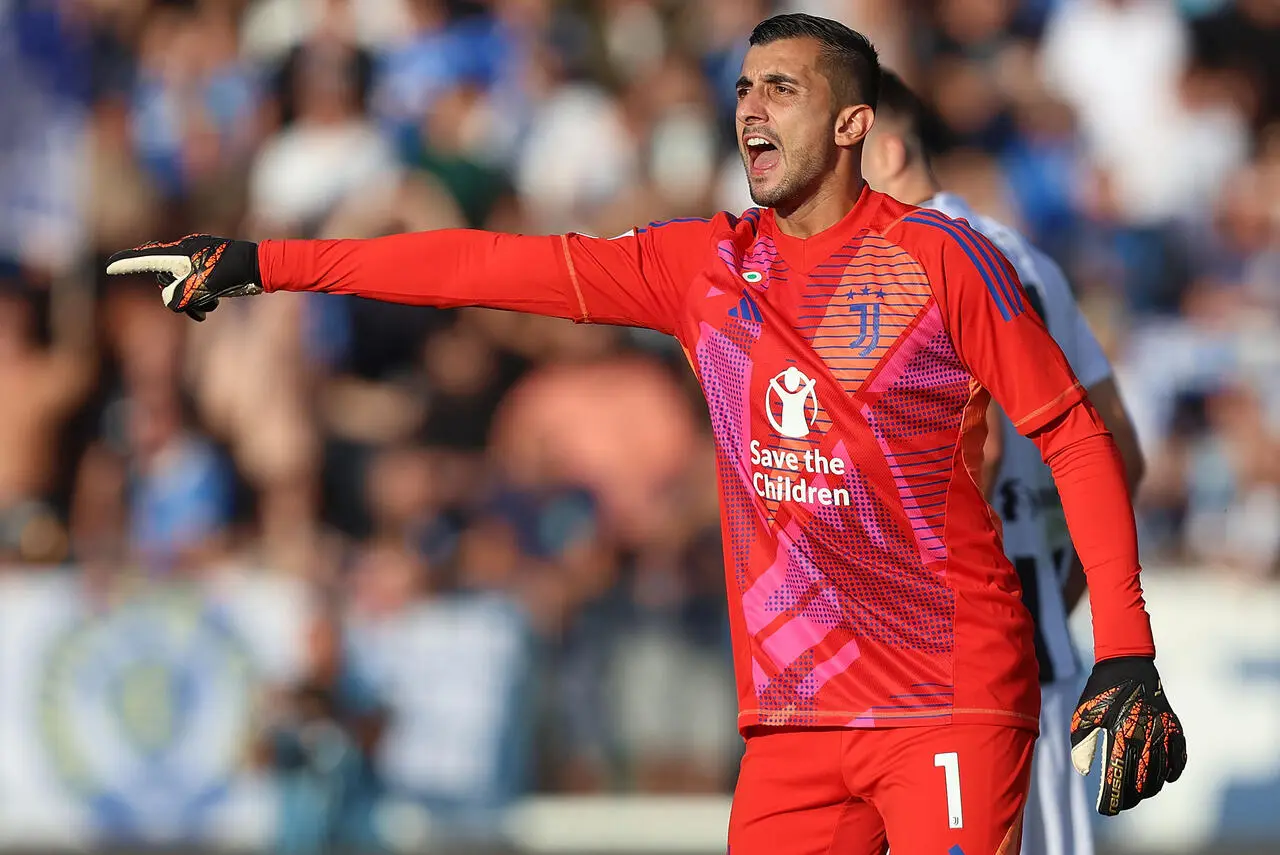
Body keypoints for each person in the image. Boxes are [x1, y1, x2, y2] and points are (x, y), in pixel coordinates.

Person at [106, 14, 1186, 855]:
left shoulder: (944, 263)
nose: (749, 109)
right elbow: (481, 265)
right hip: (793, 720)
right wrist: (267, 262)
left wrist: (1126, 649)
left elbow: (1077, 439)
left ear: (853, 123)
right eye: (741, 88)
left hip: (945, 696)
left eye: (782, 88)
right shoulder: (701, 266)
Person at [862, 69, 1148, 855]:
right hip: (1026, 650)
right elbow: (1117, 444)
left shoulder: (924, 263)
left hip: (955, 666)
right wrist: (1061, 594)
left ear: (883, 150)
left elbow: (964, 456)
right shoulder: (1022, 258)